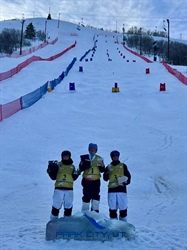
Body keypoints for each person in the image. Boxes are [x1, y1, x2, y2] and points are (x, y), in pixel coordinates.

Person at [47, 150, 79, 220]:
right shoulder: (58, 165)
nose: (65, 157)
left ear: (69, 157)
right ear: (62, 157)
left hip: (69, 189)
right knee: (56, 205)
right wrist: (50, 168)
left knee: (68, 205)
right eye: (64, 156)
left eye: (67, 156)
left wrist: (78, 171)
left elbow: (75, 177)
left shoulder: (72, 166)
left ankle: (67, 221)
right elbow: (53, 177)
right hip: (59, 188)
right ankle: (53, 221)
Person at [103, 150, 131, 221]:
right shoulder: (109, 166)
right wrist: (106, 173)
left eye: (116, 156)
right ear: (111, 157)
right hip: (112, 190)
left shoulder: (123, 166)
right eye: (113, 156)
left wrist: (126, 182)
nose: (115, 157)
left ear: (118, 157)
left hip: (121, 190)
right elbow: (105, 178)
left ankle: (123, 225)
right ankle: (114, 226)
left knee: (123, 208)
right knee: (112, 209)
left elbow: (128, 176)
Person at [78, 143, 105, 213]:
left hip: (96, 181)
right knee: (86, 196)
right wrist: (81, 165)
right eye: (91, 149)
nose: (92, 150)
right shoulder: (85, 157)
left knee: (95, 196)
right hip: (87, 180)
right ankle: (85, 213)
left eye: (94, 149)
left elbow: (102, 170)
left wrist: (102, 166)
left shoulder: (99, 158)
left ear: (96, 150)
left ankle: (95, 212)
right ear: (89, 149)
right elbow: (80, 169)